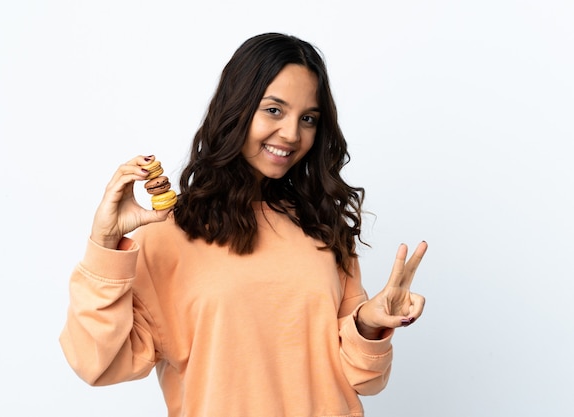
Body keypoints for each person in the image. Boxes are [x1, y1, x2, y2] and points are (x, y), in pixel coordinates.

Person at [60, 32, 427, 416]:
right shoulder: (169, 234)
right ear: (236, 109)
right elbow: (97, 363)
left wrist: (368, 325)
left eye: (308, 119)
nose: (291, 134)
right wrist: (104, 244)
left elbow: (363, 379)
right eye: (273, 110)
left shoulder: (322, 226)